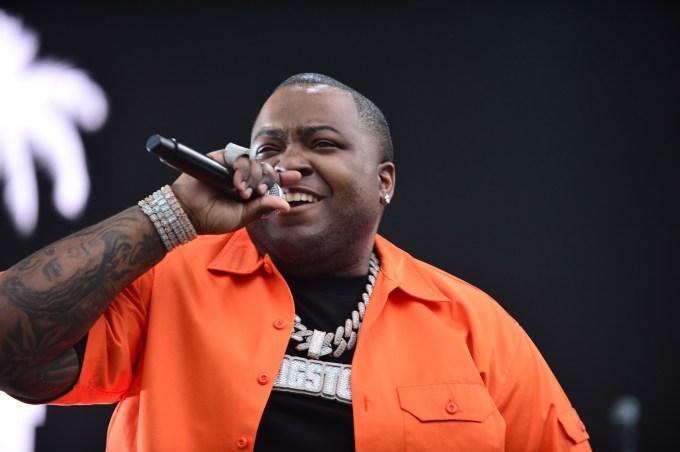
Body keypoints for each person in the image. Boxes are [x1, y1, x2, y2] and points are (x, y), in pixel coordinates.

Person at [0, 73, 591, 451]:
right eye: (268, 148)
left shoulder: (476, 327)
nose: (288, 165)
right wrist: (172, 214)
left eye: (323, 144)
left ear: (384, 182)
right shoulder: (168, 280)